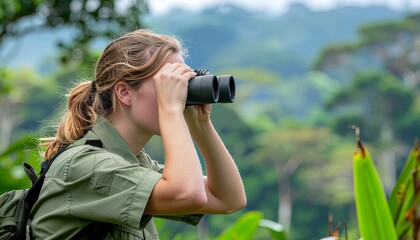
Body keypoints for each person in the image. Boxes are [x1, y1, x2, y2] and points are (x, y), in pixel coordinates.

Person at [29, 29, 247, 239]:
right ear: (125, 93)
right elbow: (187, 194)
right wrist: (171, 109)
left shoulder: (132, 164)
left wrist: (200, 123)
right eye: (167, 83)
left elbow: (228, 199)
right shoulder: (84, 166)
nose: (179, 92)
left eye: (183, 84)